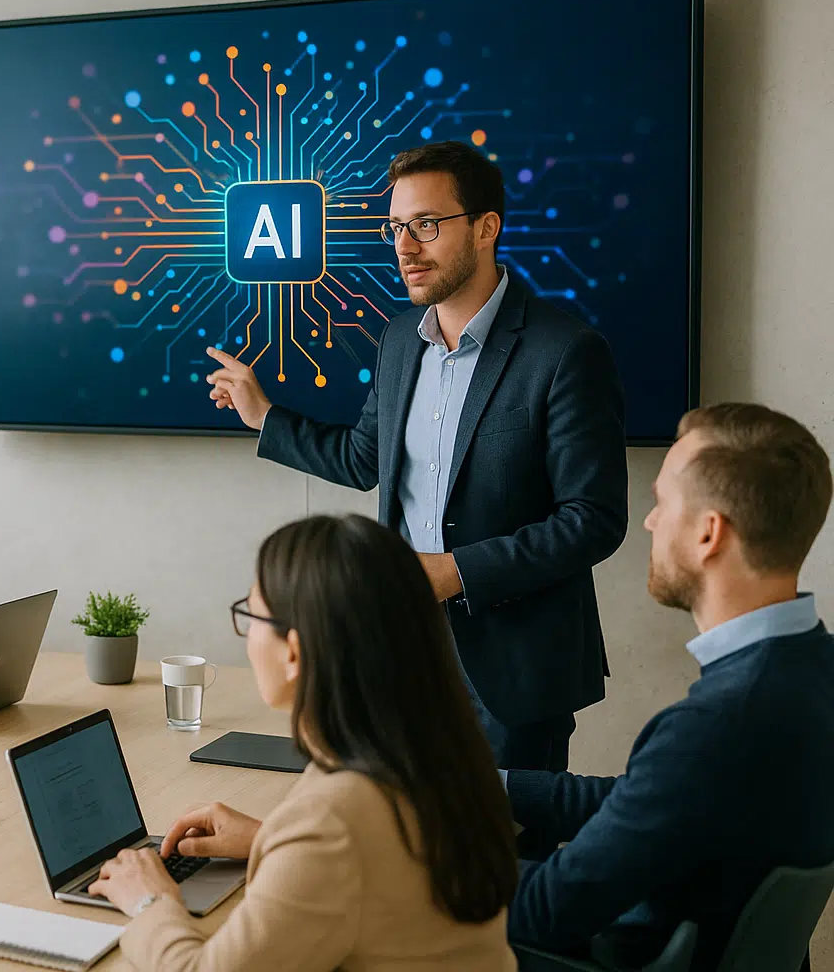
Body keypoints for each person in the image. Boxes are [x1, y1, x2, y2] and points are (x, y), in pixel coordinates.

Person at [207, 140, 628, 774]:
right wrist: (265, 416)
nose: (406, 246)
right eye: (398, 226)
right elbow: (364, 458)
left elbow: (592, 520)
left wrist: (453, 571)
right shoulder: (401, 338)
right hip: (402, 652)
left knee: (505, 865)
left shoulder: (566, 351)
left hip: (513, 670)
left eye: (427, 225)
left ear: (486, 228)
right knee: (405, 850)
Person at [88, 514, 517, 970]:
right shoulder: (428, 751)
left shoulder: (334, 816)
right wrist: (270, 840)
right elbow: (375, 868)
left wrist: (149, 902)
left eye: (251, 615)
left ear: (293, 652)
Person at [506, 403, 834, 970]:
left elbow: (544, 910)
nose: (649, 522)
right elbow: (646, 803)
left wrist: (400, 862)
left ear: (709, 533)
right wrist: (487, 783)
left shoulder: (719, 724)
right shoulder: (810, 672)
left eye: (661, 504)